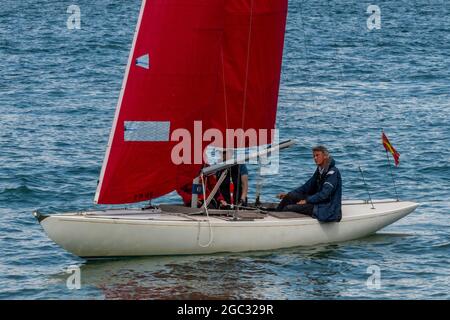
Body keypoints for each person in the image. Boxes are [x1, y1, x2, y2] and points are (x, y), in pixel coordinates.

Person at [276, 145, 342, 222]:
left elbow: (324, 194)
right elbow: (306, 187)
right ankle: (273, 215)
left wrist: (307, 201)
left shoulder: (332, 172)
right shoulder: (320, 170)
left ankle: (279, 223)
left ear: (325, 156)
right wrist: (288, 194)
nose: (315, 158)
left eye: (317, 155)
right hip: (317, 202)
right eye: (314, 156)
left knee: (289, 208)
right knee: (290, 197)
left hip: (326, 208)